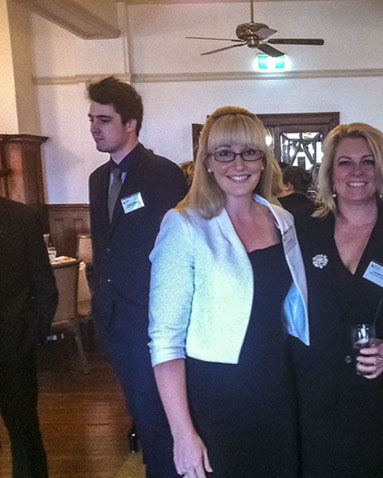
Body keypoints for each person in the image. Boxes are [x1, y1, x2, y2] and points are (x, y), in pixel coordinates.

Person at [148, 106, 309, 478]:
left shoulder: (282, 219)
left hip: (277, 386)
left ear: (264, 160)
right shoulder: (184, 224)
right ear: (207, 162)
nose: (238, 163)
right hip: (215, 396)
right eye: (224, 152)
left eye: (249, 152)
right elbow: (165, 340)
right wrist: (182, 433)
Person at [290, 122, 383, 477]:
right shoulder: (300, 228)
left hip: (381, 401)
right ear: (329, 172)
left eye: (368, 161)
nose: (357, 171)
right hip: (312, 398)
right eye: (345, 162)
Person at [87, 76, 188, 477]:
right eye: (92, 119)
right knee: (139, 413)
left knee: (156, 416)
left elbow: (178, 247)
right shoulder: (98, 179)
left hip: (151, 316)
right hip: (113, 318)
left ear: (130, 124)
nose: (94, 127)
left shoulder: (162, 174)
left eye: (104, 120)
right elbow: (104, 245)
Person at [0, 197, 58, 478]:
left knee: (24, 434)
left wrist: (34, 333)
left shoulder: (22, 218)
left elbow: (45, 284)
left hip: (14, 344)